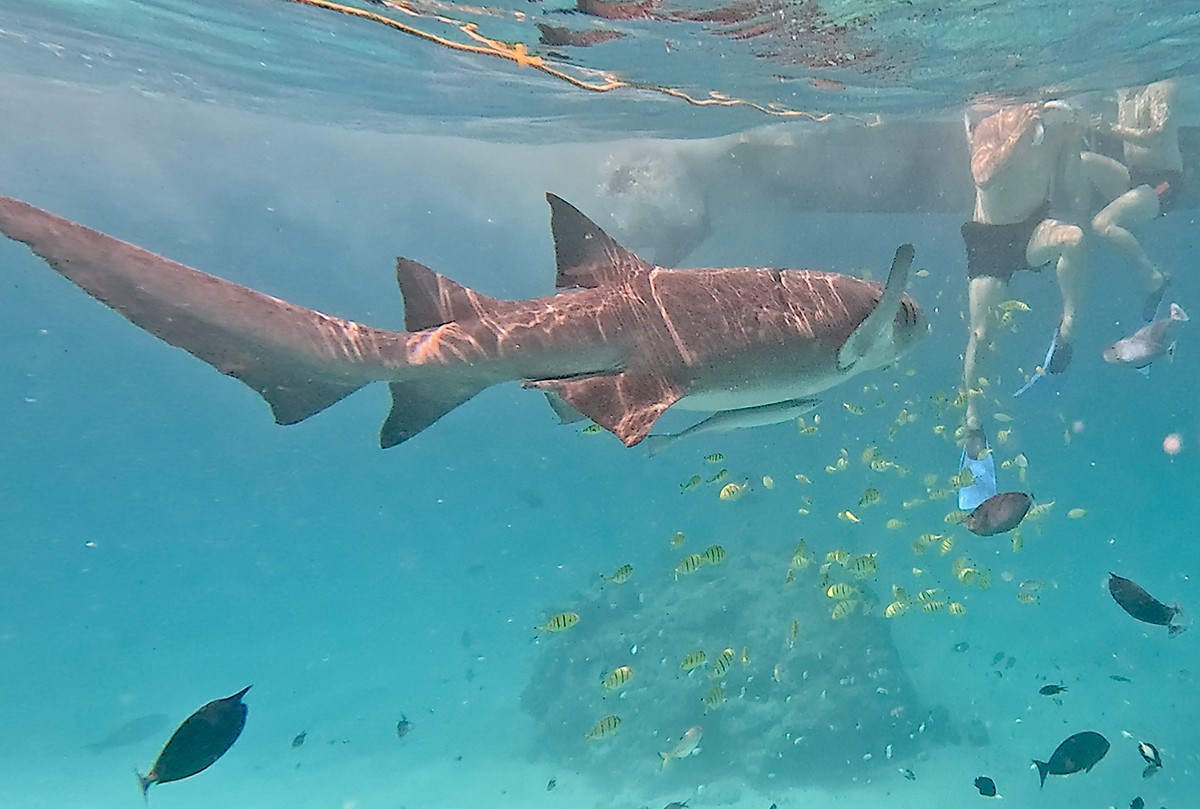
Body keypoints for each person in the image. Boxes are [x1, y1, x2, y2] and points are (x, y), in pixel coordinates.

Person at [956, 100, 1088, 508]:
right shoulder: (991, 124)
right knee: (982, 334)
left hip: (1033, 227)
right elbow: (984, 176)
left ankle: (1067, 330)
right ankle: (973, 422)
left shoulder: (1051, 125)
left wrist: (1070, 140)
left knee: (1075, 238)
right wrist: (1016, 133)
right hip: (990, 239)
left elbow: (1071, 187)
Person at [1081, 79, 1182, 321]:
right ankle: (1087, 230)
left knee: (1102, 224)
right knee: (1082, 160)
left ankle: (1153, 278)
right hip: (1134, 177)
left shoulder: (1161, 88)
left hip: (1164, 184)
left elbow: (1157, 135)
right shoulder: (1122, 89)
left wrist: (1111, 129)